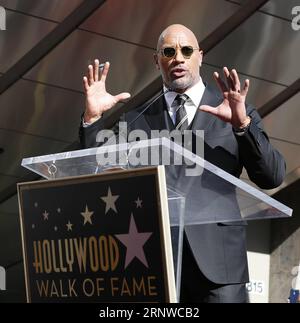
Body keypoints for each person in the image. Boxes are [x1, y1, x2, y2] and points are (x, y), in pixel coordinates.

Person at [79, 24, 286, 303]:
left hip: (219, 267)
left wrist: (243, 126)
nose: (178, 57)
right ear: (157, 61)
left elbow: (272, 176)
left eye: (186, 50)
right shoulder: (137, 119)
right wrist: (92, 121)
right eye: (168, 51)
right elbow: (97, 169)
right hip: (156, 262)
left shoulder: (236, 110)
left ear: (200, 56)